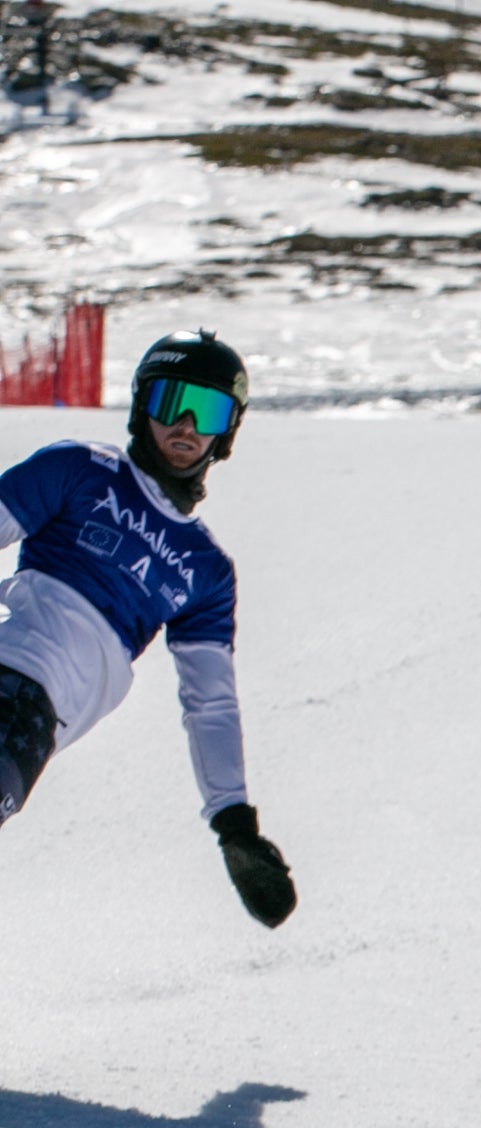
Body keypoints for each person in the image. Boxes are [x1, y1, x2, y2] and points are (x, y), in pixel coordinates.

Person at [0, 330, 293, 926]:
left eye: (206, 410)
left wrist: (232, 820)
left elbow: (210, 702)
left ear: (226, 432)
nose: (184, 424)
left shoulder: (205, 571)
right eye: (169, 402)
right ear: (141, 406)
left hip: (36, 721)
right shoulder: (80, 471)